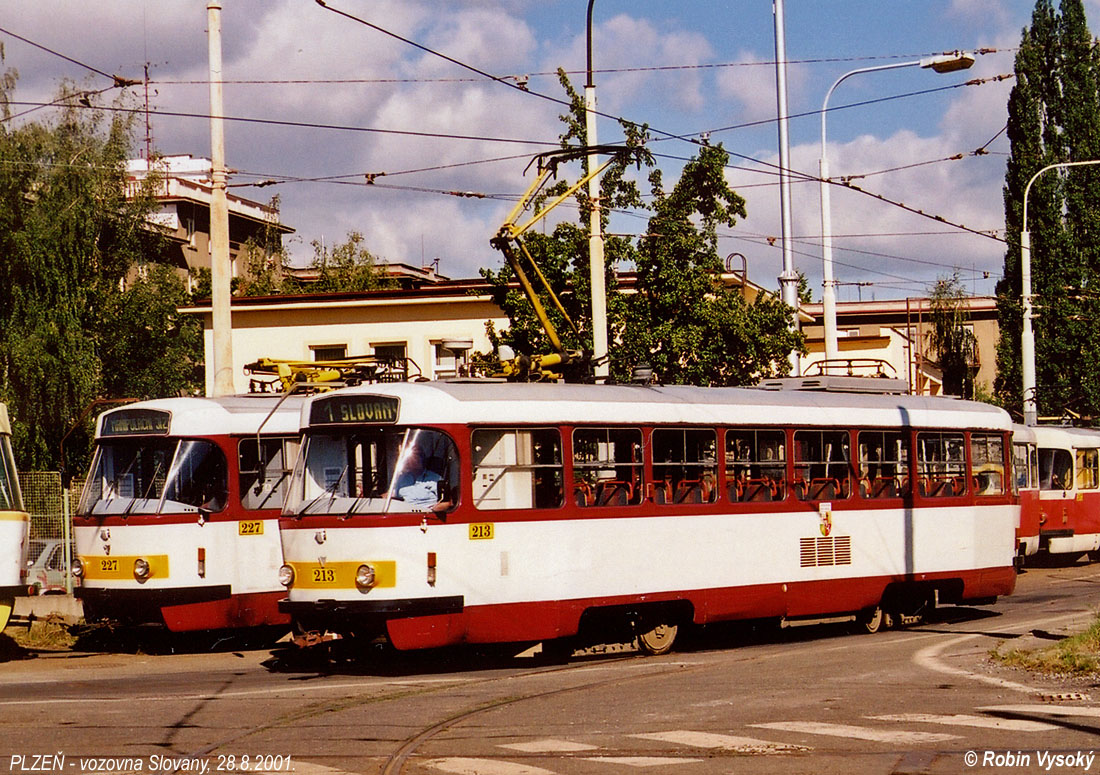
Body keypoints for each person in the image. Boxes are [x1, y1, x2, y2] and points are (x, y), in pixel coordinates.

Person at [393, 444, 451, 511]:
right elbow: (392, 495)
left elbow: (447, 502)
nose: (416, 460)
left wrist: (435, 509)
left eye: (418, 456)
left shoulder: (436, 479)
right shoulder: (401, 479)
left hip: (426, 515)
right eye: (413, 457)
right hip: (404, 515)